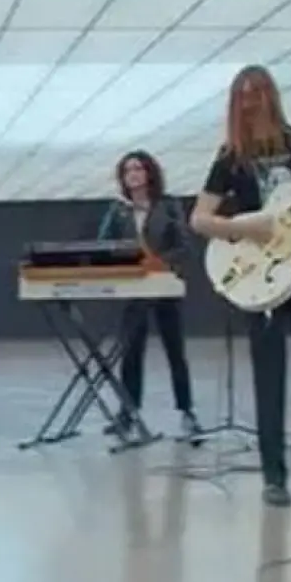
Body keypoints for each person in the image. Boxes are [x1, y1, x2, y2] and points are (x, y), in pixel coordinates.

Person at [189, 65, 291, 507]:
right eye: (243, 95)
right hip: (259, 276)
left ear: (272, 95)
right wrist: (248, 228)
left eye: (258, 92)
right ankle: (274, 478)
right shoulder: (231, 157)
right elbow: (199, 219)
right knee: (270, 377)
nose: (252, 101)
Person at [96, 150, 200, 440]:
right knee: (130, 352)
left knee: (175, 351)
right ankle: (128, 412)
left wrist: (160, 262)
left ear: (150, 173)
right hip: (133, 287)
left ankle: (187, 411)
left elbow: (184, 246)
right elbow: (103, 245)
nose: (133, 174)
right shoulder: (119, 210)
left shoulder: (168, 205)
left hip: (164, 284)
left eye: (138, 169)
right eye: (127, 170)